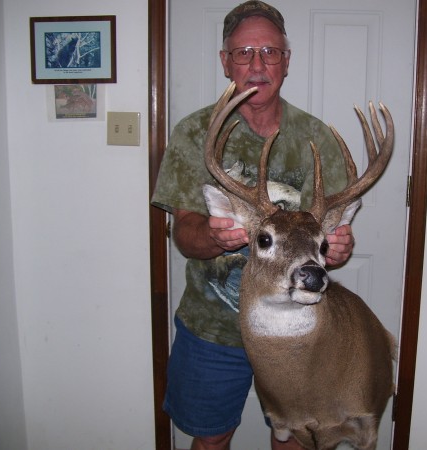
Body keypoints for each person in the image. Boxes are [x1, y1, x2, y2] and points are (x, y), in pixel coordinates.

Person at [152, 2, 355, 449]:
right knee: (211, 438)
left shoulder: (316, 139)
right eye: (244, 52)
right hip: (214, 330)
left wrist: (338, 247)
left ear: (287, 60)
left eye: (271, 51)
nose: (258, 64)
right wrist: (211, 235)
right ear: (225, 61)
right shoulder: (194, 133)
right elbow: (183, 233)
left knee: (294, 439)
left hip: (299, 330)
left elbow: (335, 230)